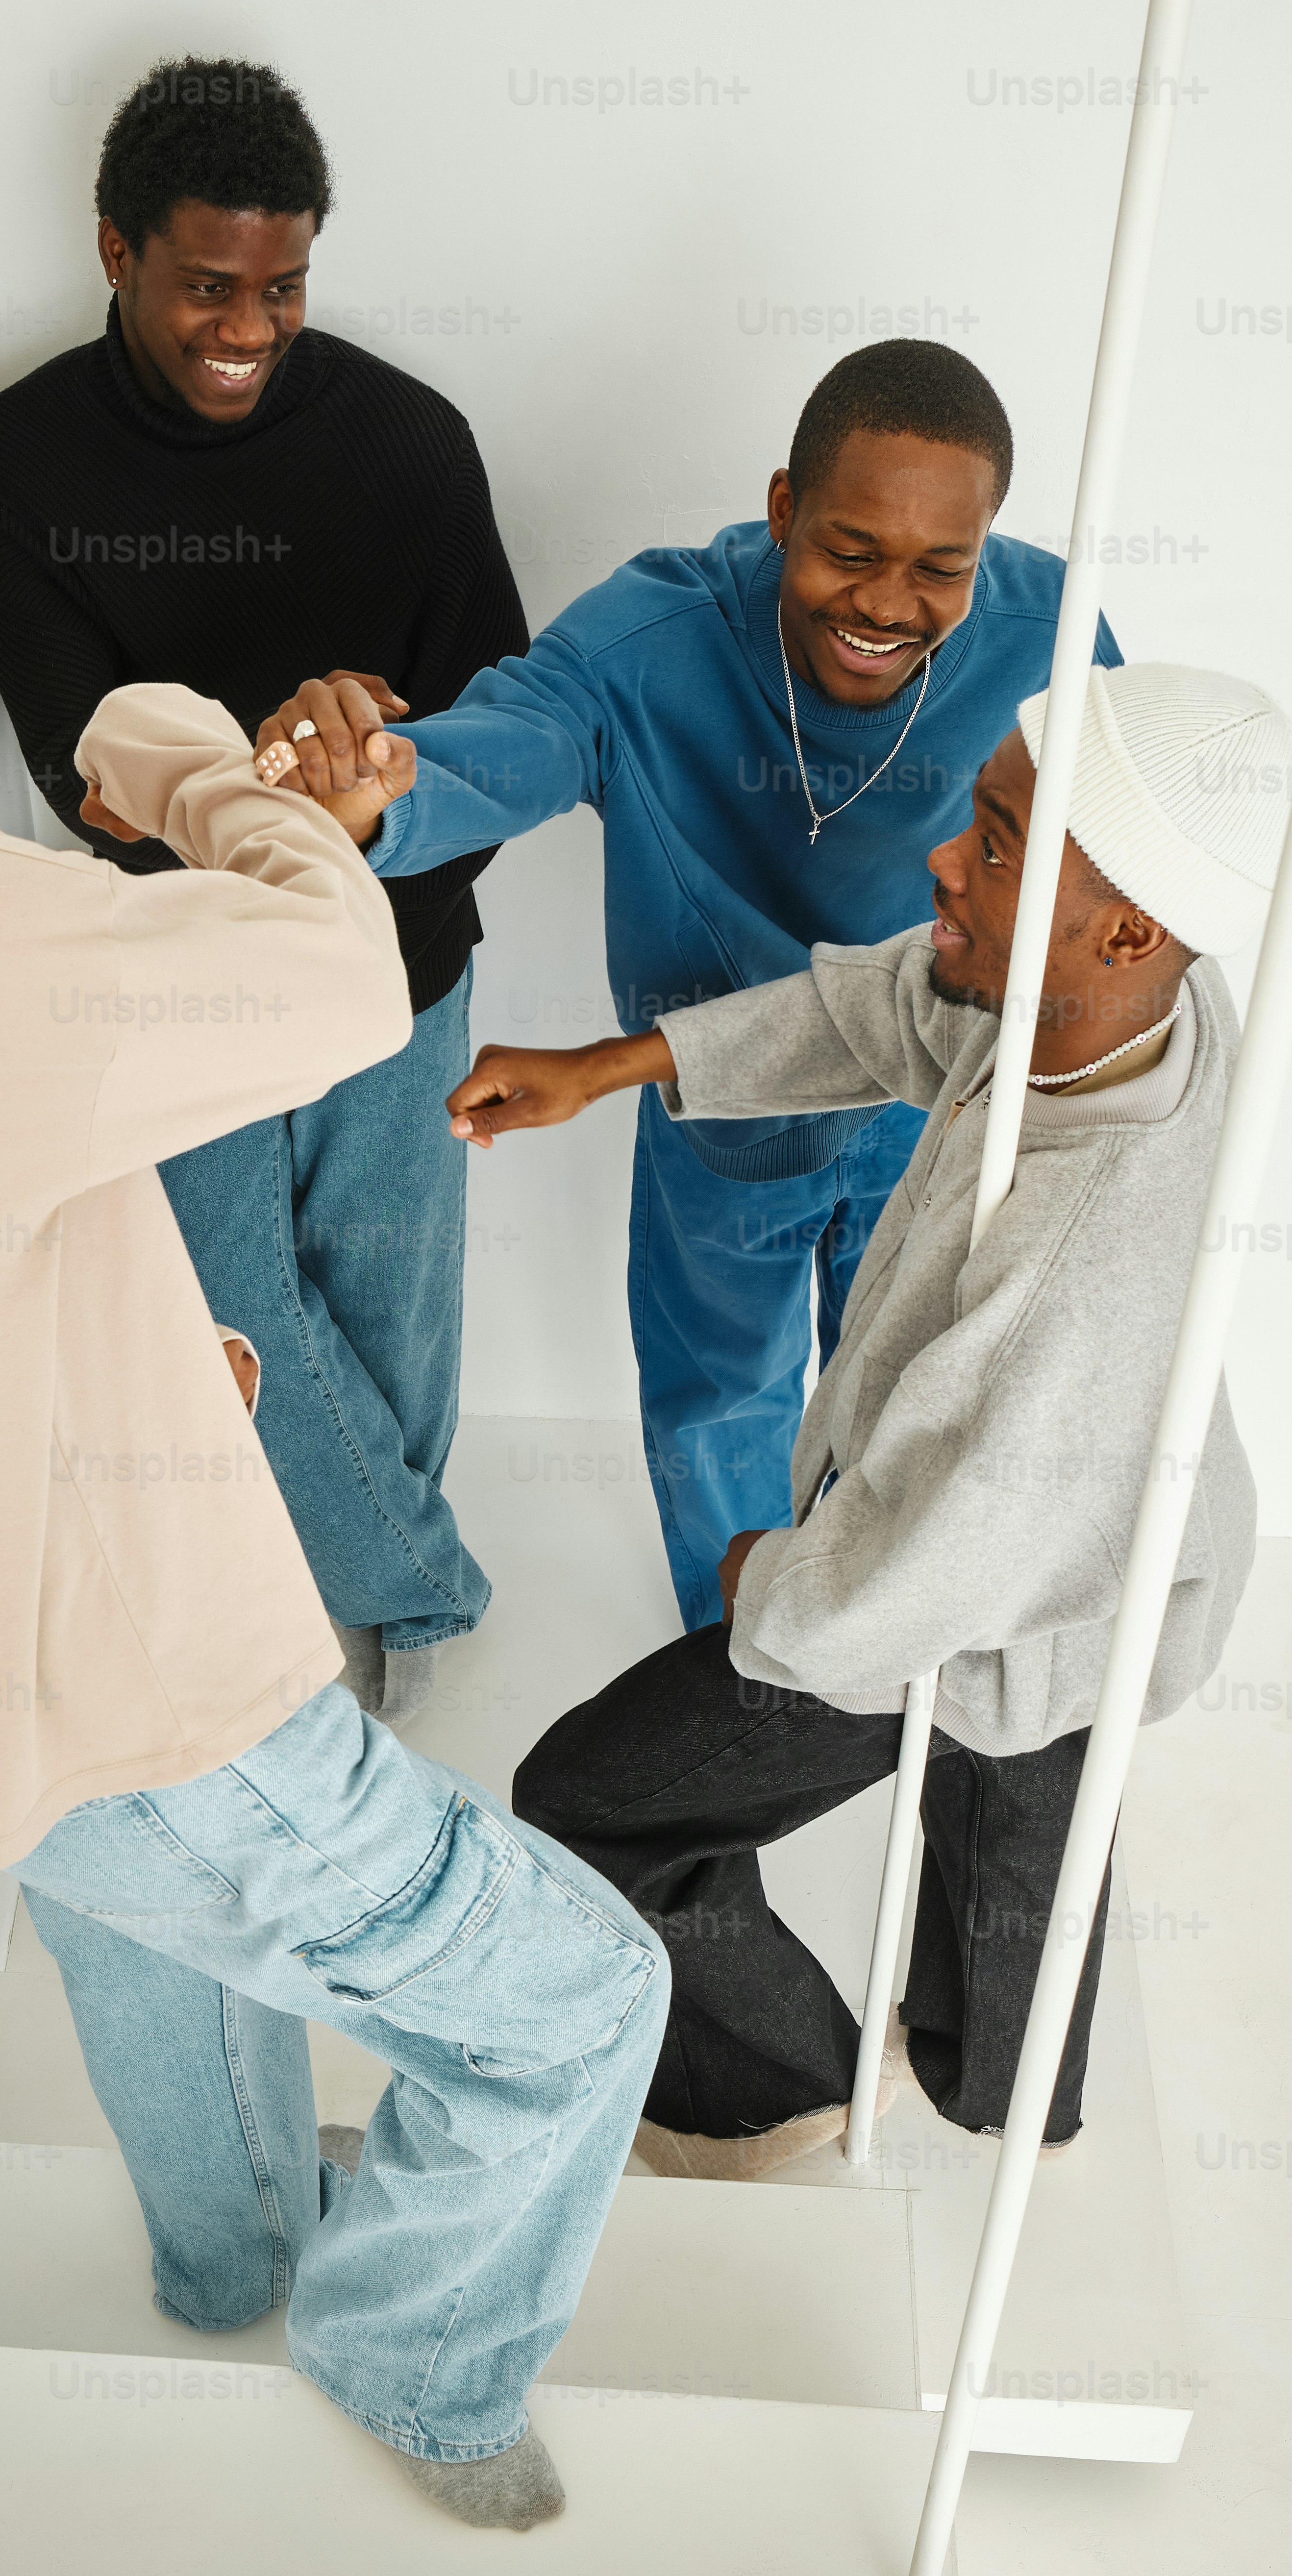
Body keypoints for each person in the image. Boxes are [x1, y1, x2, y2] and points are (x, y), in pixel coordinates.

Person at [0, 367, 667, 2527]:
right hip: (167, 1690)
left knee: (160, 1968)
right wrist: (171, 743)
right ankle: (415, 2370)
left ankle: (234, 2271)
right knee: (576, 2006)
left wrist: (154, 1373)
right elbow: (330, 977)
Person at [442, 662, 1284, 2171]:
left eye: (1002, 843)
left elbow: (911, 1585)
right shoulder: (1116, 1000)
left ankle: (769, 2093)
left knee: (592, 1802)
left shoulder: (1082, 1276)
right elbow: (905, 1000)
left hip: (1019, 1572)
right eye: (980, 818)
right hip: (1087, 1558)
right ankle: (996, 2087)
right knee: (1017, 1818)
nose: (943, 864)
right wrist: (617, 1067)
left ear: (1131, 927)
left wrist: (764, 1580)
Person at [259, 340, 1121, 1629]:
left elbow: (1117, 864)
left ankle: (885, 1649)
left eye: (942, 566)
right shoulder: (652, 636)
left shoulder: (1058, 636)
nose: (888, 602)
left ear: (988, 547)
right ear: (783, 510)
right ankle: (735, 1682)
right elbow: (512, 739)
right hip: (719, 1108)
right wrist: (377, 786)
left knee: (925, 1406)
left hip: (940, 1108)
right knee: (723, 1409)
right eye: (849, 549)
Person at [0, 56, 529, 1722]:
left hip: (402, 959)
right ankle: (410, 1575)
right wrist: (281, 775)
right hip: (177, 967)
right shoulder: (14, 466)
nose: (248, 326)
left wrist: (375, 794)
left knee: (386, 1291)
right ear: (117, 248)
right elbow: (80, 769)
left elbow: (499, 740)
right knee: (225, 1305)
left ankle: (389, 1629)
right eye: (209, 285)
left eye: (282, 287)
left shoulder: (414, 446)